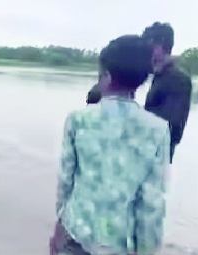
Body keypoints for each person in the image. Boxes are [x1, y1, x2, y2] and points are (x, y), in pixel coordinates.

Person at [50, 35, 170, 255]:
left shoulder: (78, 120)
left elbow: (65, 182)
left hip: (75, 233)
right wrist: (147, 250)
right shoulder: (157, 130)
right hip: (119, 243)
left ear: (105, 76)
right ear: (142, 79)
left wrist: (59, 226)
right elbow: (151, 205)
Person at [141, 22, 192, 164]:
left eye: (148, 46)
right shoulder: (160, 75)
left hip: (157, 155)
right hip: (150, 152)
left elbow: (174, 128)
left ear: (160, 46)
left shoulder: (177, 78)